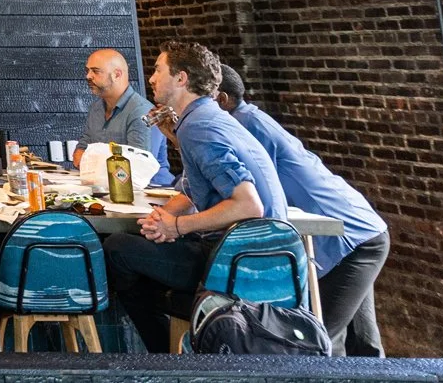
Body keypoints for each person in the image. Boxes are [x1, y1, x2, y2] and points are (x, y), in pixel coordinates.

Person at [101, 41, 287, 353]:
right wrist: (164, 217)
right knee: (141, 252)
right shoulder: (207, 118)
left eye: (159, 71)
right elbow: (194, 187)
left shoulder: (198, 126)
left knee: (117, 249)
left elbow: (247, 204)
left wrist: (177, 227)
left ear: (181, 78)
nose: (151, 79)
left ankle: (172, 356)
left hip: (236, 259)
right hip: (268, 254)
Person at [218, 66, 388, 355]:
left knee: (318, 342)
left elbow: (247, 188)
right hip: (359, 228)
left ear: (221, 99)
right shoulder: (249, 118)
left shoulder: (244, 126)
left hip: (350, 238)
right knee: (363, 345)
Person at [76, 48, 173, 185]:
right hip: (110, 188)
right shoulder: (96, 108)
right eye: (88, 71)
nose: (88, 76)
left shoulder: (142, 112)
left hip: (152, 192)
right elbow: (80, 151)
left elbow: (137, 168)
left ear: (117, 75)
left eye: (95, 71)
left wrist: (93, 163)